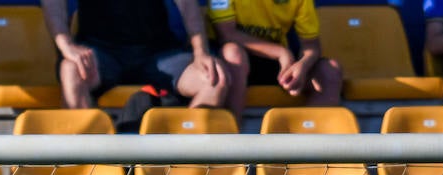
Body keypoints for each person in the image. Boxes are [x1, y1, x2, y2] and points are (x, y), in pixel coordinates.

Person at [43, 0, 244, 115]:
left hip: (159, 54)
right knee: (70, 70)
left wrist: (201, 52)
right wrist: (66, 45)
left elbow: (188, 6)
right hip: (102, 54)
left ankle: (184, 167)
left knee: (214, 79)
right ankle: (91, 169)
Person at [209, 0, 343, 123]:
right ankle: (231, 137)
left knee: (330, 71)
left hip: (278, 64)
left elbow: (311, 45)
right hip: (230, 64)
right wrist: (281, 53)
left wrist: (302, 66)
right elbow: (226, 34)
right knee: (233, 53)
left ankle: (306, 141)